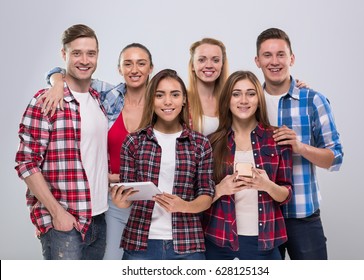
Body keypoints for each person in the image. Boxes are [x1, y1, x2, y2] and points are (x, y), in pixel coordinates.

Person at [40, 43, 154, 259]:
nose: (134, 70)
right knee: (109, 262)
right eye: (127, 64)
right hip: (112, 199)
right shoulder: (108, 94)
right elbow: (70, 74)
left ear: (151, 68)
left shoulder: (163, 103)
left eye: (141, 63)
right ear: (119, 69)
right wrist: (56, 82)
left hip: (152, 202)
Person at [15, 24, 108, 260]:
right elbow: (26, 162)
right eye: (76, 53)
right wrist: (58, 214)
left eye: (91, 53)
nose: (84, 60)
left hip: (99, 219)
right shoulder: (46, 101)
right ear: (64, 55)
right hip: (64, 224)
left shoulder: (99, 100)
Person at [254, 27, 344, 260]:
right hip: (261, 216)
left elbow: (336, 158)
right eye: (267, 55)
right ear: (257, 61)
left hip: (302, 214)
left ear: (291, 58)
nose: (275, 62)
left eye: (281, 54)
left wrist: (300, 147)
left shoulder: (313, 100)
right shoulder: (249, 102)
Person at [110, 69, 215, 260]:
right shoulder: (134, 142)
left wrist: (184, 206)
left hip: (187, 244)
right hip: (140, 244)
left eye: (175, 95)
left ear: (184, 99)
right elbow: (128, 196)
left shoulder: (200, 144)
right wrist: (121, 202)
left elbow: (207, 195)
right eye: (160, 95)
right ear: (152, 99)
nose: (168, 101)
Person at [202, 70, 293, 260]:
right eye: (236, 94)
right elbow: (198, 198)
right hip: (219, 241)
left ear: (259, 99)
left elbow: (286, 194)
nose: (244, 100)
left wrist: (266, 185)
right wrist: (220, 189)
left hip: (264, 242)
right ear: (228, 100)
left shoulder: (276, 139)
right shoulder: (211, 143)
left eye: (251, 93)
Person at [187, 38, 229, 135]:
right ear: (193, 65)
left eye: (215, 60)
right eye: (202, 60)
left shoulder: (229, 101)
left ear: (222, 65)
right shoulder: (182, 101)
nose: (209, 65)